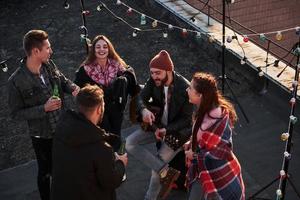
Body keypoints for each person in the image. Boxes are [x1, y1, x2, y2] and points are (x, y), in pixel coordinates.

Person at [7, 29, 80, 200]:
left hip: (61, 127)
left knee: (64, 166)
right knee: (45, 172)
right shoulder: (16, 81)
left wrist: (74, 89)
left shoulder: (49, 65)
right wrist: (43, 108)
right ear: (35, 51)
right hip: (42, 135)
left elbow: (62, 81)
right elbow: (15, 114)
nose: (51, 51)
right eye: (47, 48)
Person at [125, 50, 193, 200]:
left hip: (176, 134)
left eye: (158, 73)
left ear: (169, 71)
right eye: (152, 73)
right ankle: (165, 171)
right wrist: (143, 111)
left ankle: (150, 197)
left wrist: (166, 130)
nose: (154, 76)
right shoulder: (153, 81)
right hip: (156, 127)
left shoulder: (184, 88)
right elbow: (140, 98)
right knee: (130, 143)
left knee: (156, 169)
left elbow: (187, 120)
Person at [51, 84, 128, 200]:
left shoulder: (61, 131)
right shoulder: (102, 149)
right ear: (98, 109)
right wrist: (121, 163)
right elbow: (111, 182)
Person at [185, 72, 245, 200]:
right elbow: (202, 141)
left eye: (190, 88)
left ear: (200, 95)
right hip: (203, 171)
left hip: (218, 174)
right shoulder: (207, 110)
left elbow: (221, 151)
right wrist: (191, 144)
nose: (187, 90)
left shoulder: (214, 119)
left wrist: (194, 155)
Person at [74, 35, 139, 151]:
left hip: (116, 109)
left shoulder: (117, 64)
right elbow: (79, 89)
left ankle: (116, 162)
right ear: (93, 50)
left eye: (105, 46)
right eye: (98, 47)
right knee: (103, 141)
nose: (101, 50)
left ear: (109, 49)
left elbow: (130, 75)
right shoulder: (85, 69)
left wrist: (122, 81)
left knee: (116, 138)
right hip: (98, 111)